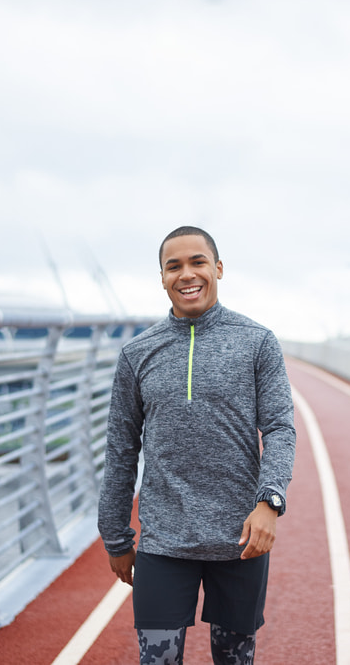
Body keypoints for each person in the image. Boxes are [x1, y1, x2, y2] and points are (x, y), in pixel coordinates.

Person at [98, 226, 296, 665]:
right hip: (164, 543)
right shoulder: (137, 353)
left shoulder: (257, 342)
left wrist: (270, 502)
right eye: (174, 266)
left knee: (234, 658)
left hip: (240, 539)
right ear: (163, 277)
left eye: (198, 262)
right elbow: (121, 450)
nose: (187, 274)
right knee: (158, 660)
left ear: (218, 269)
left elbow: (281, 428)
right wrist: (115, 537)